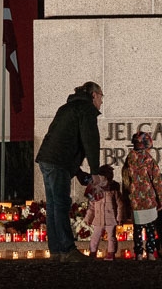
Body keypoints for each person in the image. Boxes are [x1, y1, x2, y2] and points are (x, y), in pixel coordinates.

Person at [35, 81, 107, 263]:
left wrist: (79, 172)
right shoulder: (86, 110)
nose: (102, 101)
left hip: (48, 159)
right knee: (60, 204)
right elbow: (90, 142)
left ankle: (56, 250)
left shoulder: (67, 108)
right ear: (93, 95)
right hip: (57, 162)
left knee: (53, 206)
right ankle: (67, 249)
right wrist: (95, 172)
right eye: (101, 96)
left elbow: (66, 141)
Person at [122, 130, 162, 260]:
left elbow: (125, 181)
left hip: (135, 200)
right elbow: (156, 180)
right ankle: (151, 252)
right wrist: (161, 198)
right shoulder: (149, 160)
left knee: (137, 229)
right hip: (149, 199)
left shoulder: (129, 159)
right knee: (150, 229)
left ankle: (139, 253)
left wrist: (126, 199)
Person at [84, 165, 124, 260]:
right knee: (95, 237)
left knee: (111, 237)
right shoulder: (96, 189)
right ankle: (93, 253)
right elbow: (92, 206)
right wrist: (88, 218)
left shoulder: (114, 190)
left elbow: (120, 205)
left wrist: (119, 217)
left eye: (102, 176)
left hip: (111, 218)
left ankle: (111, 253)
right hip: (98, 218)